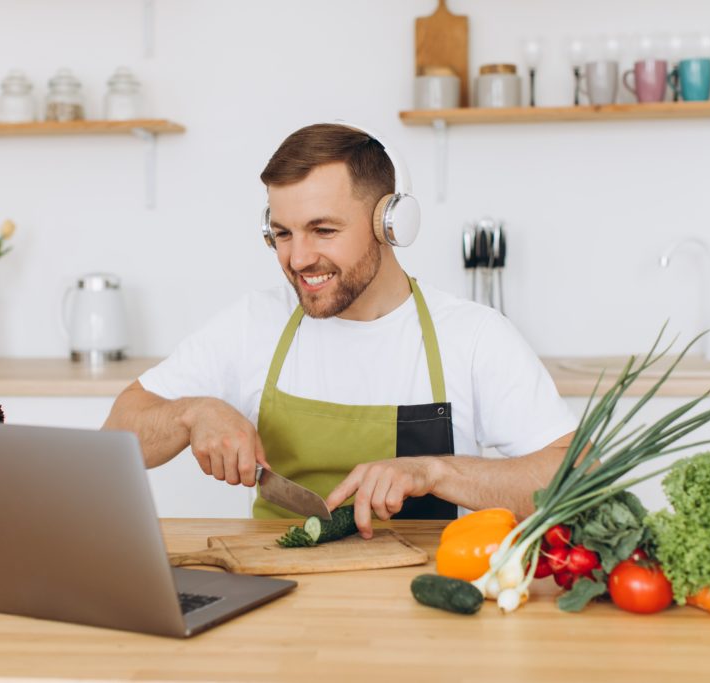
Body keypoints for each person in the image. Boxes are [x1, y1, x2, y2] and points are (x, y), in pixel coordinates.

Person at [104, 122, 577, 537]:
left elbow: (576, 474)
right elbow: (115, 437)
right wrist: (192, 413)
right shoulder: (252, 325)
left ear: (390, 224)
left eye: (323, 230)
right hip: (275, 591)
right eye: (282, 234)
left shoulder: (473, 337)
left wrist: (435, 472)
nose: (298, 258)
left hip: (427, 604)